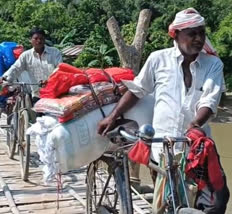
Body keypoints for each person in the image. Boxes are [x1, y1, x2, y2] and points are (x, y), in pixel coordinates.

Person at [97, 8, 229, 213]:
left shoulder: (213, 64)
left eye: (201, 33)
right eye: (192, 33)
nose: (198, 38)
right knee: (167, 201)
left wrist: (193, 128)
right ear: (175, 35)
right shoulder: (158, 59)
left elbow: (209, 101)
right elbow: (137, 90)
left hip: (196, 148)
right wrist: (112, 117)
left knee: (215, 201)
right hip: (162, 147)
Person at [0, 27, 63, 104]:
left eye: (41, 38)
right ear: (30, 40)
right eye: (36, 38)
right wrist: (5, 77)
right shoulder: (26, 56)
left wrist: (49, 80)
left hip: (55, 93)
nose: (39, 41)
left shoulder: (55, 52)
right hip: (37, 95)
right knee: (37, 115)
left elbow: (60, 70)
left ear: (44, 39)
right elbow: (16, 68)